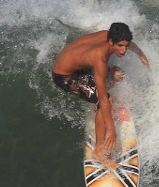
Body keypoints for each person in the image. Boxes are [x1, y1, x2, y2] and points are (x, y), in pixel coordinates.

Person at [51, 22, 150, 169]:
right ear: (111, 42)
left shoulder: (108, 34)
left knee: (115, 74)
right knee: (106, 100)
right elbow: (104, 99)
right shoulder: (100, 59)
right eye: (120, 46)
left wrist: (140, 53)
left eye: (126, 46)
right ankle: (99, 151)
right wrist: (111, 130)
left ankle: (102, 88)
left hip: (77, 65)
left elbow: (126, 41)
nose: (124, 50)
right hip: (64, 77)